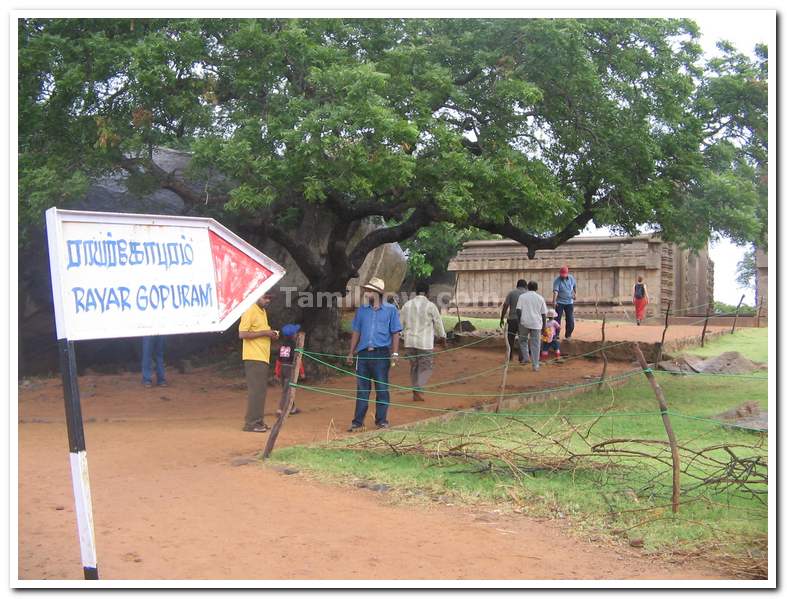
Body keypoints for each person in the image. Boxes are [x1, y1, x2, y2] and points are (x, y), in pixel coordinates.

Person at [345, 277, 402, 432]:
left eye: (369, 291)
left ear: (377, 293)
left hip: (381, 354)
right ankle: (358, 422)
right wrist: (351, 352)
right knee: (362, 389)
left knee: (382, 388)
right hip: (363, 355)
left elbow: (395, 332)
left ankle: (381, 421)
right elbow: (356, 332)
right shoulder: (362, 311)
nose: (366, 293)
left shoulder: (390, 310)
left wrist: (395, 352)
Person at [238, 291, 279, 433]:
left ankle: (258, 420)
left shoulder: (262, 311)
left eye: (269, 298)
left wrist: (270, 333)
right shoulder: (250, 309)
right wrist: (265, 333)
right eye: (265, 297)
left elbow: (260, 331)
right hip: (253, 356)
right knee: (256, 391)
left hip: (262, 356)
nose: (268, 300)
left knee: (260, 391)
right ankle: (251, 423)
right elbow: (242, 334)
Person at [400, 281, 447, 402]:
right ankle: (418, 390)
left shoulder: (407, 305)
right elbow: (438, 324)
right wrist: (443, 338)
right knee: (426, 367)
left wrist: (401, 336)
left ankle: (416, 390)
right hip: (424, 343)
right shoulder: (431, 306)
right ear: (427, 293)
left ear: (416, 292)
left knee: (414, 367)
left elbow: (400, 324)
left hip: (410, 342)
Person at [516, 281, 548, 371]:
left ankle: (526, 358)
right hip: (536, 323)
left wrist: (520, 320)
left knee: (523, 341)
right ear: (536, 288)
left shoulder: (522, 297)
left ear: (527, 288)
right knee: (536, 344)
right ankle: (535, 365)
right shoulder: (540, 298)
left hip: (524, 322)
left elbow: (518, 310)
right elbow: (544, 314)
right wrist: (544, 326)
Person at [273, 323, 304, 416]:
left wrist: (277, 372)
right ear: (293, 335)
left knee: (287, 387)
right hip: (290, 368)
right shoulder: (295, 346)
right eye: (295, 333)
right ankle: (280, 409)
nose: (297, 334)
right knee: (287, 390)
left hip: (282, 368)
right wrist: (302, 372)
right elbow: (298, 360)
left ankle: (292, 408)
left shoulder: (282, 346)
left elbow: (278, 360)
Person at [499, 279, 528, 363]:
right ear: (525, 286)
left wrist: (502, 318)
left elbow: (505, 306)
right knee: (522, 340)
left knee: (510, 339)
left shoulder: (511, 293)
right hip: (523, 320)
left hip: (511, 319)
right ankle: (521, 358)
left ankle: (510, 357)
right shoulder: (527, 294)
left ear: (517, 285)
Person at [552, 265, 577, 340]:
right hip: (559, 302)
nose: (563, 277)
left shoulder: (571, 278)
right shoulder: (557, 280)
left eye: (564, 275)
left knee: (570, 319)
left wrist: (575, 294)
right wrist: (554, 301)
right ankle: (556, 335)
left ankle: (568, 335)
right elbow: (556, 291)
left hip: (569, 302)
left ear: (567, 273)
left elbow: (574, 286)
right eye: (562, 275)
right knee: (557, 319)